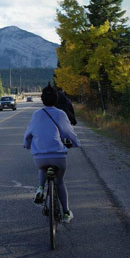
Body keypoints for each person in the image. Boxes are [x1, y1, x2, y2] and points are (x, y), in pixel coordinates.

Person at [23, 83, 80, 223]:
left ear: (42, 100)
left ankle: (40, 188)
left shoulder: (36, 114)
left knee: (43, 167)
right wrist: (75, 143)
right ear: (55, 100)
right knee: (59, 182)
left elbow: (28, 134)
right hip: (58, 156)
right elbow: (68, 132)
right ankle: (66, 213)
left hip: (40, 157)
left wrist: (27, 145)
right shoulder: (61, 114)